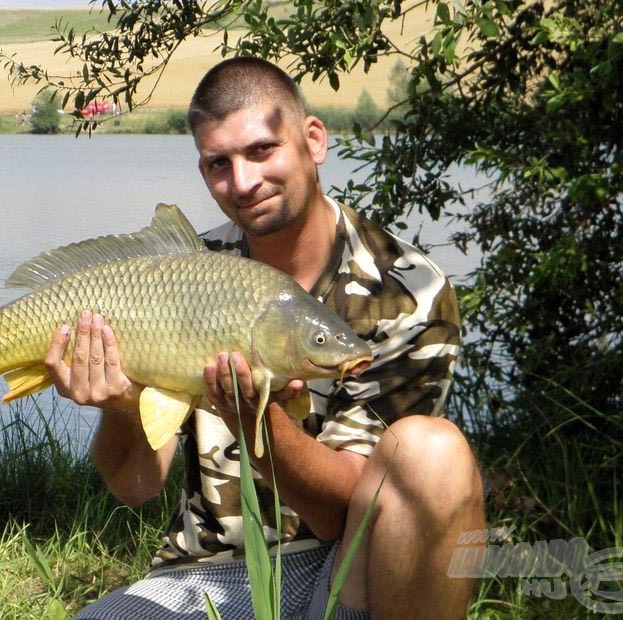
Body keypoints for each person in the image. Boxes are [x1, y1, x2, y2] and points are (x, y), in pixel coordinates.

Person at [44, 57, 486, 619]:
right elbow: (132, 487)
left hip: (352, 569)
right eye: (219, 163)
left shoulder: (407, 291)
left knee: (434, 452)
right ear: (204, 174)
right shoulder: (181, 276)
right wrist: (122, 408)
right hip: (208, 573)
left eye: (262, 150)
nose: (245, 182)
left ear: (314, 140)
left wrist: (256, 421)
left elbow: (344, 513)